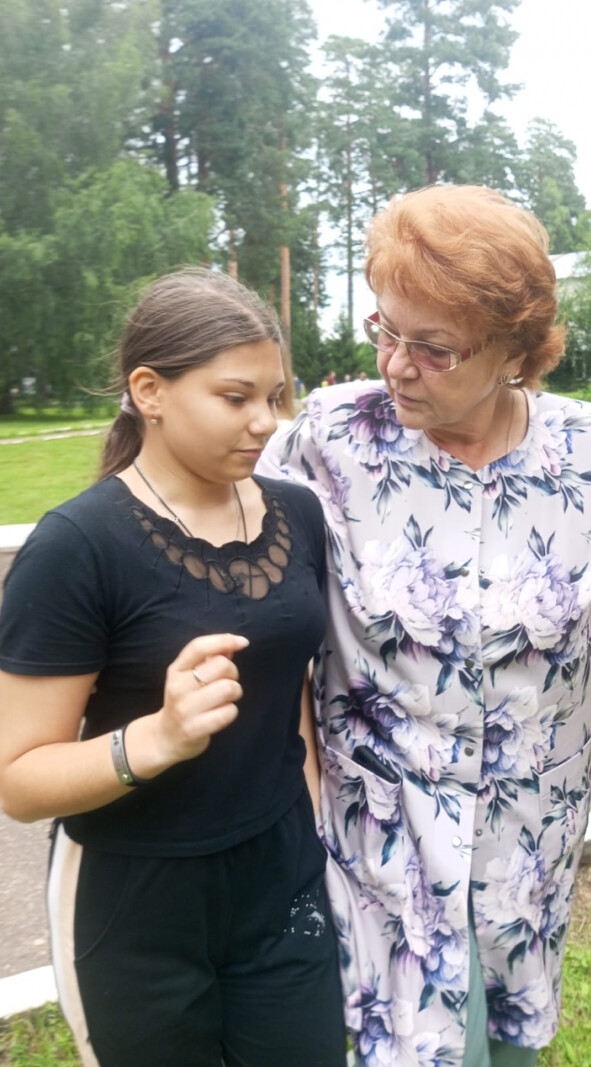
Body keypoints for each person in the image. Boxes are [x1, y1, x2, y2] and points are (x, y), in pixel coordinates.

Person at [257, 184, 591, 1067]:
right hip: (382, 824)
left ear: (514, 349)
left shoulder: (588, 447)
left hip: (530, 825)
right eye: (385, 330)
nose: (396, 365)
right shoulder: (329, 439)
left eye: (432, 347)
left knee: (509, 1043)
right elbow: (263, 610)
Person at [0, 268, 347, 1067]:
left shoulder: (298, 514)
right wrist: (154, 738)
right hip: (134, 899)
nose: (265, 421)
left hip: (281, 874)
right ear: (149, 391)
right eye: (235, 396)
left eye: (275, 395)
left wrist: (308, 820)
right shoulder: (77, 547)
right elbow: (17, 779)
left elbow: (290, 687)